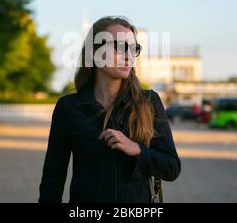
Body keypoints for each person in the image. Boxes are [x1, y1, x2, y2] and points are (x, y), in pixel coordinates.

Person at [38, 16, 181, 203]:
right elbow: (52, 178)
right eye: (120, 46)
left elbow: (171, 168)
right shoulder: (68, 108)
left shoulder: (149, 101)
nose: (129, 55)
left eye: (133, 48)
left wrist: (137, 149)